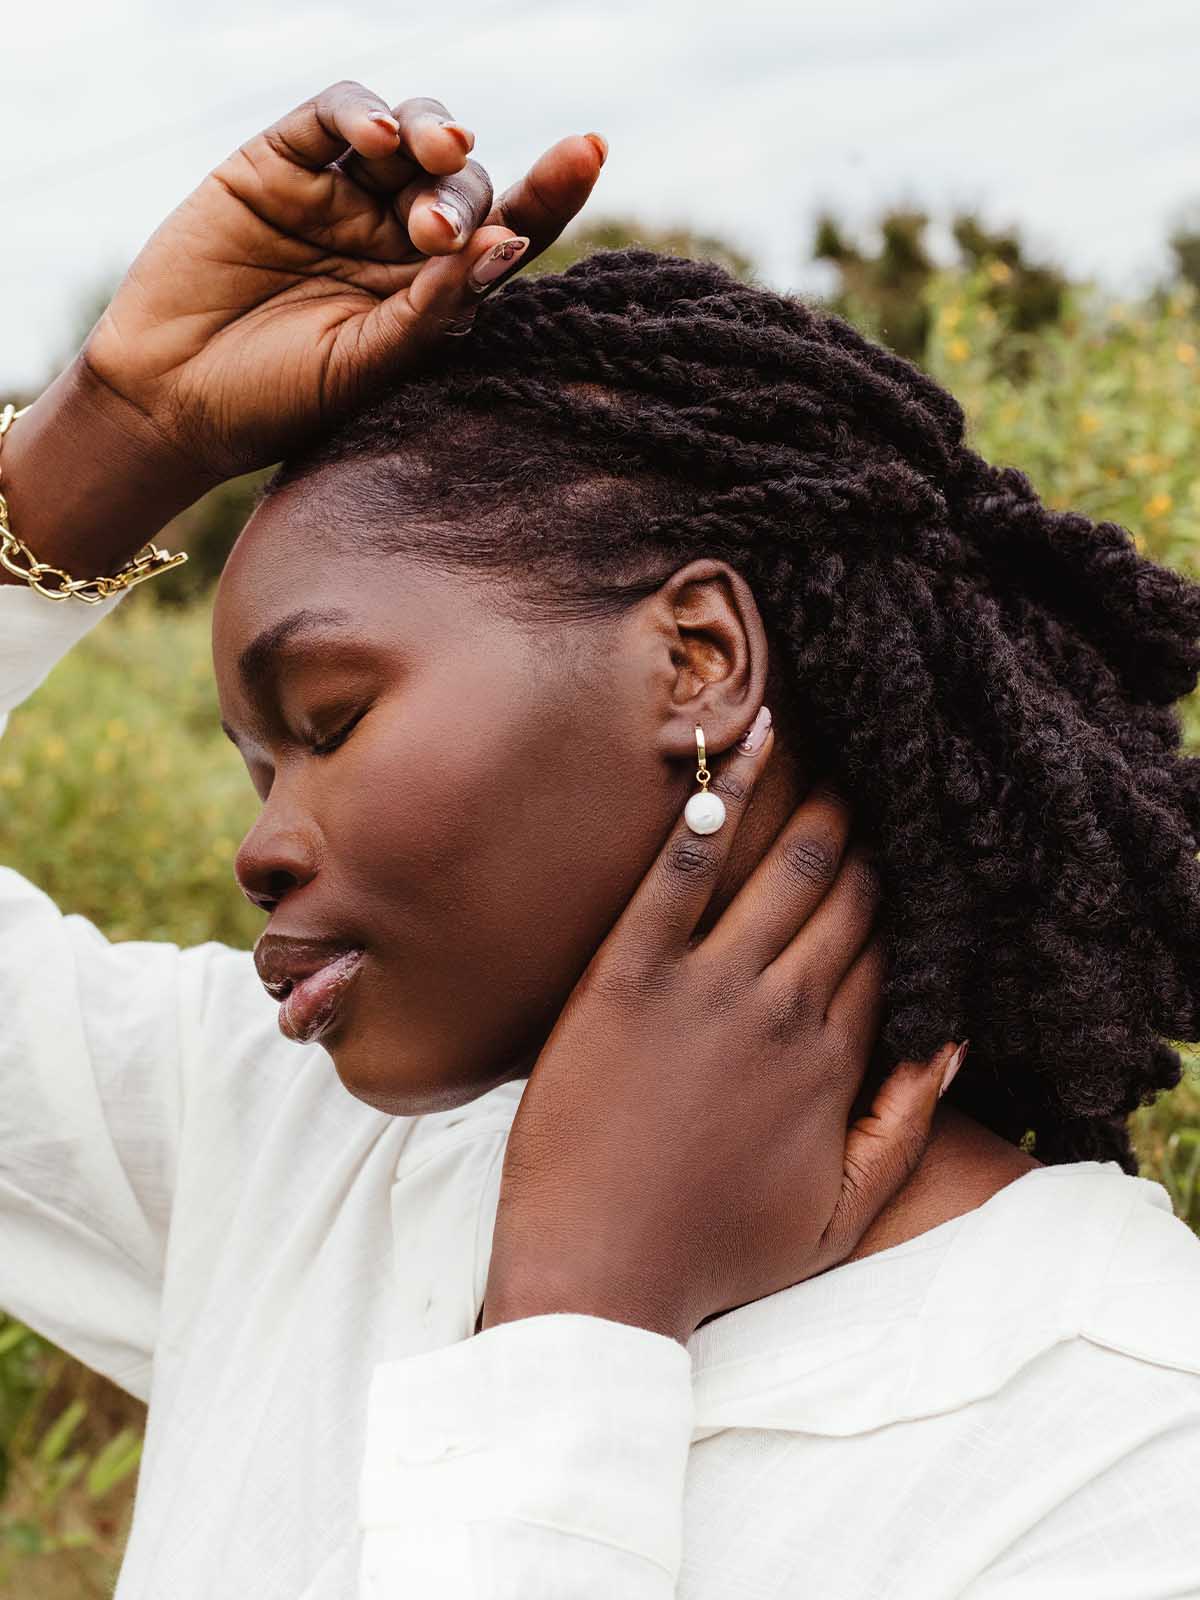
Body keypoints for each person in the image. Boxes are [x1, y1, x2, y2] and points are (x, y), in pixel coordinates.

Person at [2, 78, 1199, 1600]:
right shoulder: (294, 1148)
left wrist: (580, 1314)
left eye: (329, 721)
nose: (263, 850)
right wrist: (111, 435)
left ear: (697, 657)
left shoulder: (1125, 1439)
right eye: (253, 773)